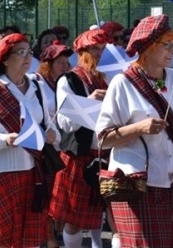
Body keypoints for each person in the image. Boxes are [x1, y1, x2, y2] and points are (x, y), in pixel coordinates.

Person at [96, 15, 173, 247]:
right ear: (147, 48)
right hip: (136, 185)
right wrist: (139, 128)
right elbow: (104, 138)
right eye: (165, 45)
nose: (171, 51)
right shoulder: (122, 83)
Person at [0, 33, 59, 248]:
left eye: (29, 51)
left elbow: (49, 123)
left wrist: (53, 134)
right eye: (20, 52)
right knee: (3, 236)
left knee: (32, 234)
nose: (27, 57)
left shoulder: (37, 87)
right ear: (5, 59)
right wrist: (4, 139)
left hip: (33, 171)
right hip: (0, 173)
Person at [50, 28, 112, 248]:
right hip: (80, 156)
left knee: (110, 215)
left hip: (110, 153)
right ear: (82, 51)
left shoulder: (112, 76)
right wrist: (89, 101)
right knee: (75, 219)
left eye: (103, 48)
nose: (100, 53)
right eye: (95, 48)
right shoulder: (68, 80)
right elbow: (66, 123)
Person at [33, 39, 73, 248]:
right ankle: (48, 237)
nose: (65, 65)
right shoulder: (35, 81)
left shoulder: (66, 83)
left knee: (59, 196)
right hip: (45, 148)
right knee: (46, 195)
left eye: (67, 61)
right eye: (60, 61)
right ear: (47, 63)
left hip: (64, 146)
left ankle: (54, 232)